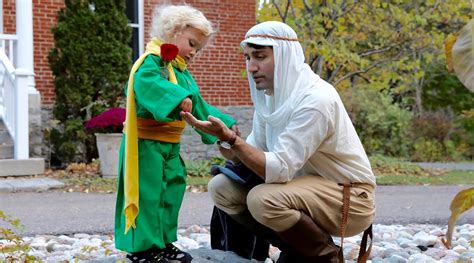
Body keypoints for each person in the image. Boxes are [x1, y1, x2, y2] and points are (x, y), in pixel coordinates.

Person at [181, 21, 376, 262]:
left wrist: (233, 140)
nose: (251, 67)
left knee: (263, 198)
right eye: (248, 58)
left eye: (260, 57)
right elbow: (254, 151)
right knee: (222, 188)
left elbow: (278, 169)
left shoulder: (315, 100)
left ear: (285, 57)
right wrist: (225, 141)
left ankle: (326, 256)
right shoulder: (271, 97)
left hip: (350, 198)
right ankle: (293, 249)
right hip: (305, 188)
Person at [114, 5, 239, 263]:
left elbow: (200, 105)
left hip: (170, 146)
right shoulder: (150, 62)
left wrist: (224, 125)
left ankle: (163, 241)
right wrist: (177, 97)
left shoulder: (181, 72)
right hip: (145, 144)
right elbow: (148, 85)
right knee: (147, 193)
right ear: (173, 31)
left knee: (171, 190)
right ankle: (142, 249)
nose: (194, 51)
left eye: (198, 48)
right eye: (192, 43)